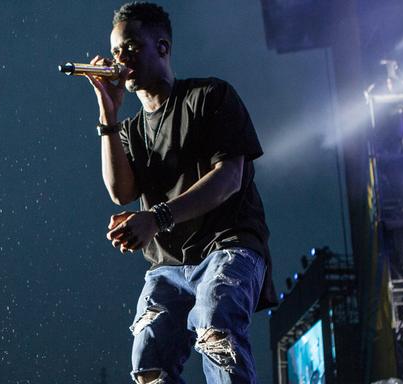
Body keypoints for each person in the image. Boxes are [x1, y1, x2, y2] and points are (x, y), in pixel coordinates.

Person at [83, 2, 277, 383]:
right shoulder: (131, 131)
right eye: (117, 50)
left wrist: (155, 218)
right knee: (149, 362)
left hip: (229, 247)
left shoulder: (210, 97)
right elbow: (120, 193)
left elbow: (229, 179)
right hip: (169, 266)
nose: (121, 58)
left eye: (132, 47)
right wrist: (108, 115)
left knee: (216, 322)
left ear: (163, 47)